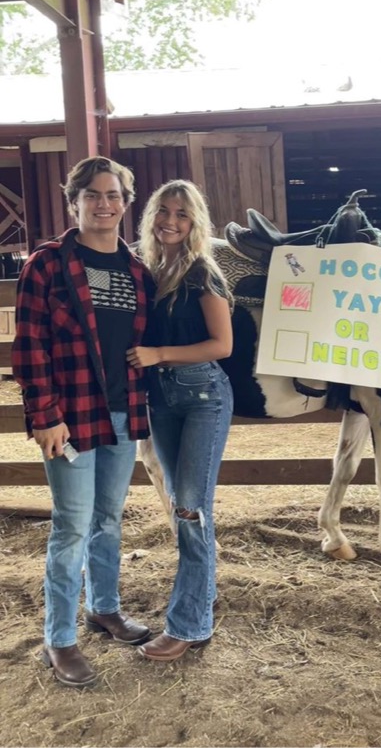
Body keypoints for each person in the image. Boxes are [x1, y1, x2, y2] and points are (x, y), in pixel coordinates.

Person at [11, 156, 153, 688]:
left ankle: (104, 607)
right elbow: (30, 348)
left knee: (109, 519)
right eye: (92, 195)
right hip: (68, 417)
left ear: (125, 202)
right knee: (71, 525)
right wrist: (44, 416)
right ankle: (59, 637)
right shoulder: (46, 264)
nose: (104, 204)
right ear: (75, 202)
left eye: (113, 195)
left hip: (121, 412)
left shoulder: (138, 270)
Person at [126, 179, 233, 662]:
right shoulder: (147, 269)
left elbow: (222, 345)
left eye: (182, 214)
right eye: (163, 211)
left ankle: (187, 624)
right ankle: (201, 608)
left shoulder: (201, 273)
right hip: (162, 400)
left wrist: (158, 354)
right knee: (183, 507)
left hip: (202, 396)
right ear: (151, 216)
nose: (171, 221)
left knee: (190, 509)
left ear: (194, 223)